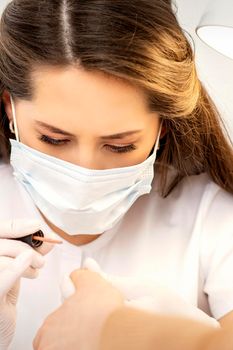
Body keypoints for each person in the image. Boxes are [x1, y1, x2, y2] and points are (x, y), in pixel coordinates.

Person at [0, 0, 233, 349]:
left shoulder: (212, 216)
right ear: (10, 108)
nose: (84, 171)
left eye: (120, 145)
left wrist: (170, 340)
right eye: (54, 139)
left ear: (163, 127)